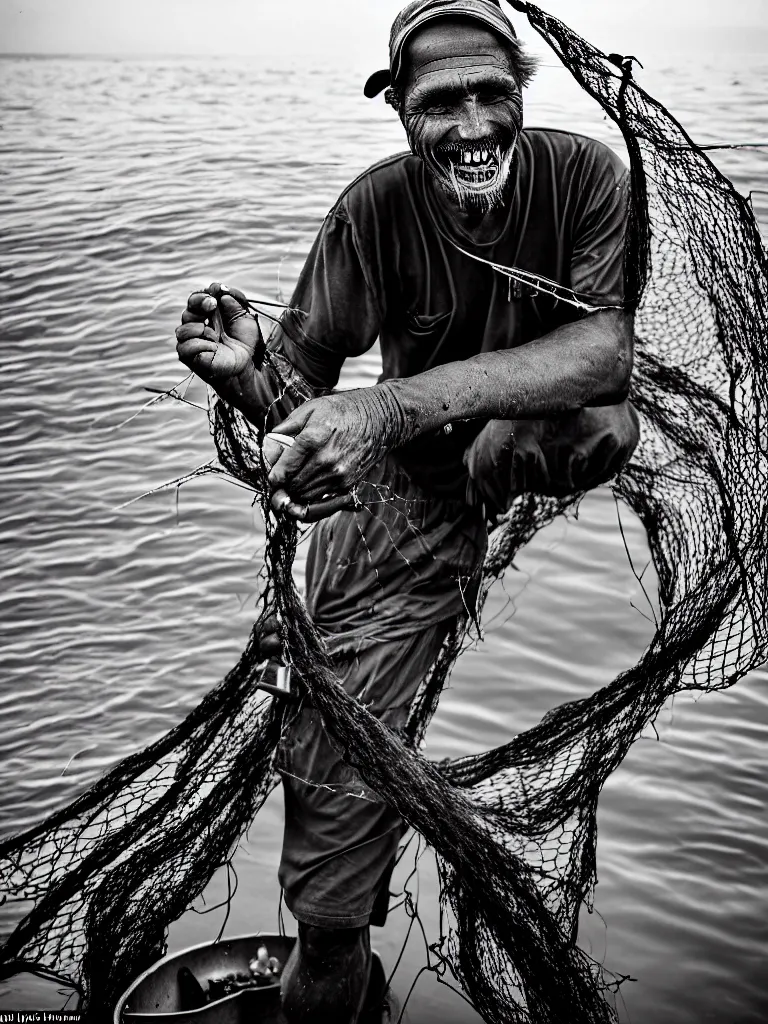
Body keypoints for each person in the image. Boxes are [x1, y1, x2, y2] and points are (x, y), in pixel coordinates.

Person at [174, 0, 640, 1019]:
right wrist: (253, 375)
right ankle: (337, 962)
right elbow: (302, 389)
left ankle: (487, 462)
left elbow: (605, 353)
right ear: (400, 114)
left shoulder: (588, 177)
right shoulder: (372, 211)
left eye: (491, 96)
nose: (472, 126)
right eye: (442, 104)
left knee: (601, 415)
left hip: (520, 441)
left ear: (521, 93)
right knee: (333, 804)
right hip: (397, 502)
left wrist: (393, 407)